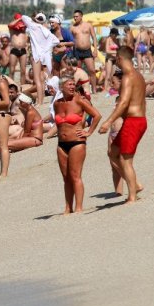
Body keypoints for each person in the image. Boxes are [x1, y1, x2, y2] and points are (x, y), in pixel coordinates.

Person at [99, 46, 147, 204]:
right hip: (136, 120)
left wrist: (108, 121)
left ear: (120, 58)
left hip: (133, 121)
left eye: (116, 59)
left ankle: (132, 196)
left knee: (126, 160)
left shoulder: (128, 77)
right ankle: (136, 185)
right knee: (113, 153)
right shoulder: (139, 75)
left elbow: (124, 102)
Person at [54, 76, 102, 214]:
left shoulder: (79, 101)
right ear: (61, 87)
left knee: (75, 176)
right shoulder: (57, 104)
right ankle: (68, 207)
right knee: (66, 178)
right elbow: (59, 123)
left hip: (77, 142)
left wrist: (89, 132)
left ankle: (79, 207)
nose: (72, 87)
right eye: (69, 84)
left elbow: (97, 115)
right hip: (61, 144)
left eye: (73, 85)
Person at [15, 13, 60, 105]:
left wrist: (33, 19)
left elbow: (24, 16)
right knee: (43, 79)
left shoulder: (32, 26)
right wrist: (46, 48)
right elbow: (57, 41)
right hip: (46, 56)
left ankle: (39, 102)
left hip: (36, 55)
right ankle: (42, 100)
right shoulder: (46, 31)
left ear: (36, 19)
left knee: (38, 80)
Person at [70, 10, 99, 94]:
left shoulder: (88, 25)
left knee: (92, 70)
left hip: (87, 51)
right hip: (77, 51)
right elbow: (70, 40)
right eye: (74, 17)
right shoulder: (72, 27)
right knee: (77, 71)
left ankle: (94, 89)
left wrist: (95, 49)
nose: (75, 18)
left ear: (81, 16)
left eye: (76, 16)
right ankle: (79, 90)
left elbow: (94, 37)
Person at [7, 13, 29, 84]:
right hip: (14, 50)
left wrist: (23, 20)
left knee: (23, 71)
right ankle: (11, 86)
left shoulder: (24, 28)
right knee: (12, 70)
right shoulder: (12, 29)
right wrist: (19, 19)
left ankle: (22, 87)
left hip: (23, 50)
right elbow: (9, 25)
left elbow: (29, 24)